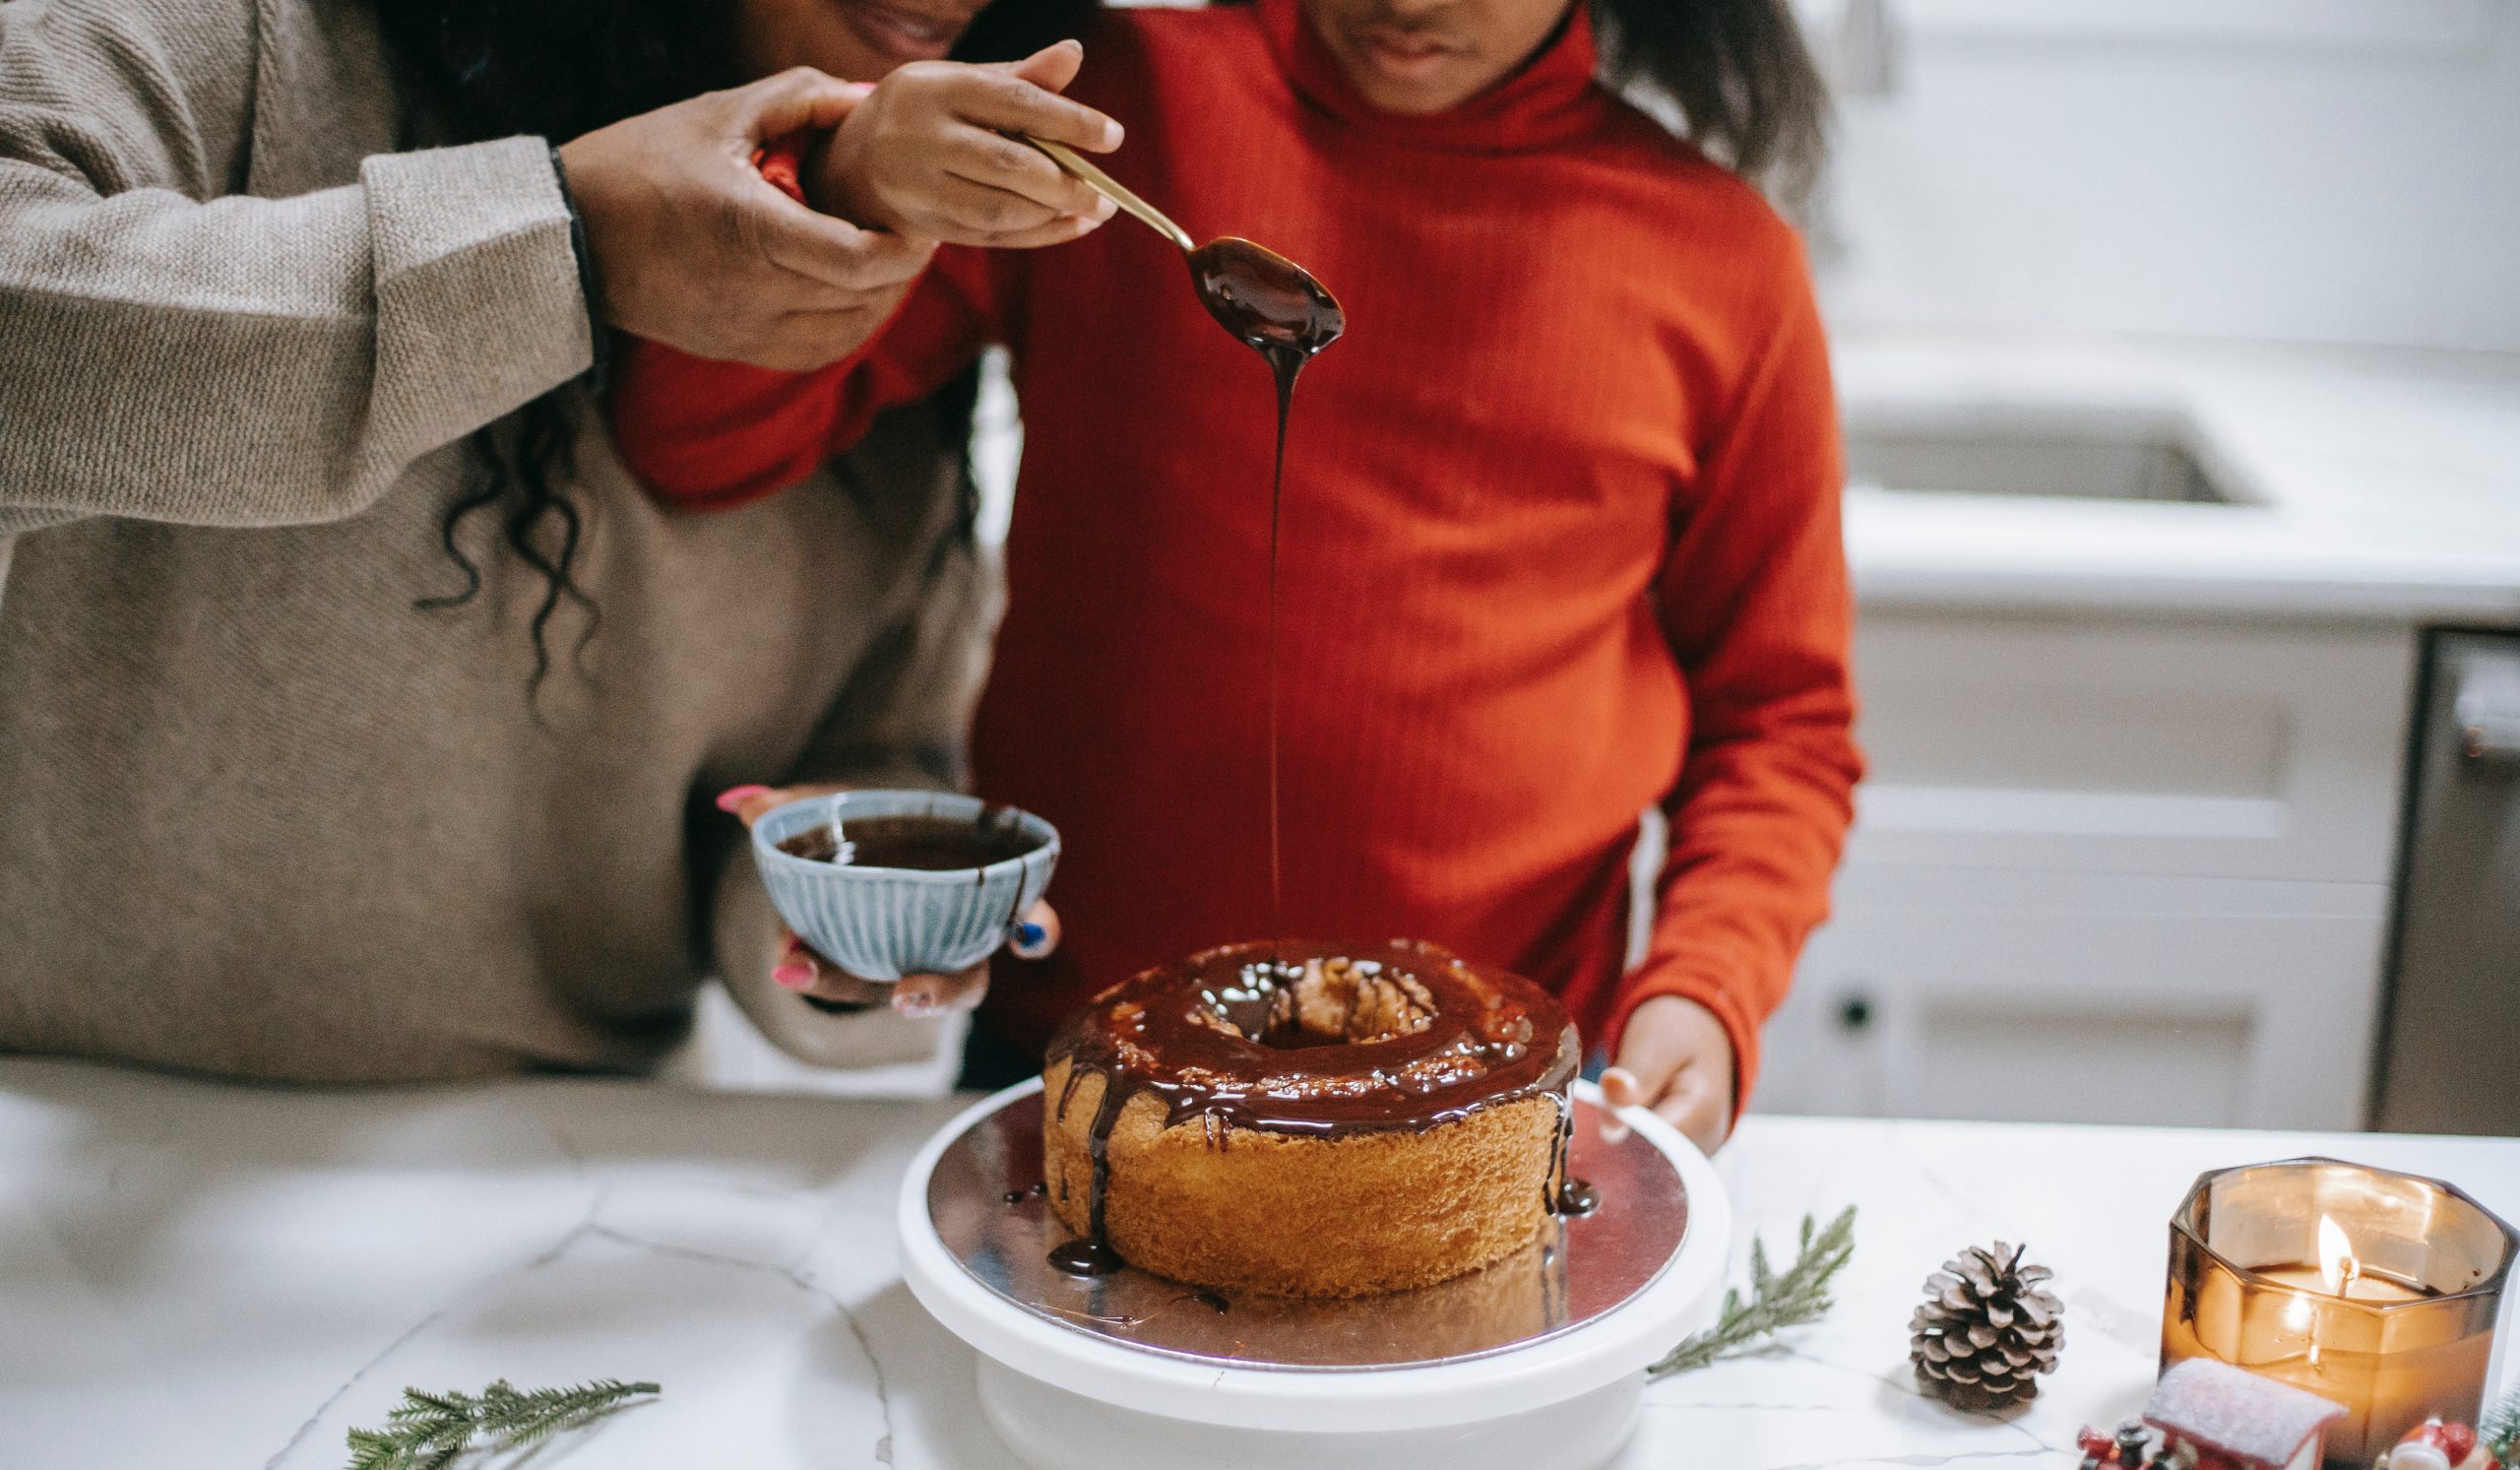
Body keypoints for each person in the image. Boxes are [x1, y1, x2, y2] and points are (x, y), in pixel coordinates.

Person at [613, 0, 1861, 1152]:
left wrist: (1706, 986)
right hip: (1068, 1061)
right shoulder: (1118, 116)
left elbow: (1782, 727)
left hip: (1499, 1090)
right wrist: (846, 178)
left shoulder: (1721, 264)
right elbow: (702, 439)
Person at [0, 0, 1095, 1082]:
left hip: (557, 1186)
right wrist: (563, 244)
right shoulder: (243, 36)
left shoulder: (905, 260)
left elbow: (852, 758)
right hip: (53, 1148)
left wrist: (845, 910)